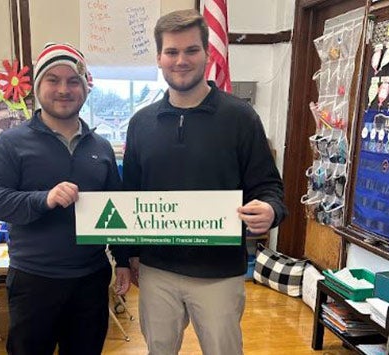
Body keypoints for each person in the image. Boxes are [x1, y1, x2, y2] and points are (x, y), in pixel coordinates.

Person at [122, 9, 287, 355]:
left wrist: (270, 210)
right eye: (171, 52)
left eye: (191, 50)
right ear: (159, 58)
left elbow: (269, 186)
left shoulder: (240, 117)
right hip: (157, 271)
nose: (181, 60)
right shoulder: (141, 123)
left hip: (220, 274)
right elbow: (131, 195)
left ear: (207, 54)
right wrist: (129, 255)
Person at [0, 42, 131, 355]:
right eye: (53, 80)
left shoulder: (100, 147)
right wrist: (44, 199)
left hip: (90, 280)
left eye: (73, 81)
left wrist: (124, 260)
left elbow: (116, 208)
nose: (64, 89)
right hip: (34, 281)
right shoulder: (10, 143)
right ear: (38, 87)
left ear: (85, 89)